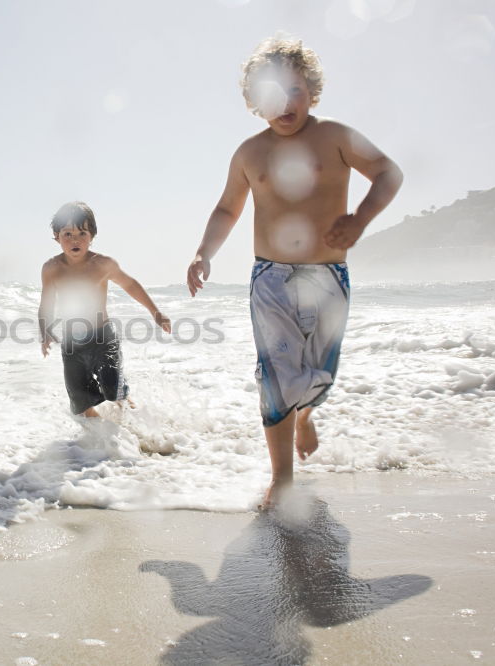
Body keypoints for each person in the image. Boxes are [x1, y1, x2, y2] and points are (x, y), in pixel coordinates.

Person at [186, 36, 402, 509]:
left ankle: (306, 416)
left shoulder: (337, 137)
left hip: (328, 276)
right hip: (270, 280)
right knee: (276, 375)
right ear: (253, 102)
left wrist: (360, 219)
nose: (284, 103)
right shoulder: (249, 153)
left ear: (313, 91)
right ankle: (282, 480)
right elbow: (227, 209)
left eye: (295, 90)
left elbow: (389, 172)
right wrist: (205, 252)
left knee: (321, 373)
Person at [39, 201, 171, 417]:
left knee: (113, 388)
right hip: (72, 342)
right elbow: (47, 303)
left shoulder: (102, 264)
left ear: (92, 235)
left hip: (103, 337)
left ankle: (137, 421)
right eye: (68, 234)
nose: (75, 240)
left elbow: (130, 284)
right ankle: (101, 441)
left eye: (82, 233)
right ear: (56, 236)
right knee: (80, 402)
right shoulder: (52, 269)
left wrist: (155, 312)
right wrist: (44, 331)